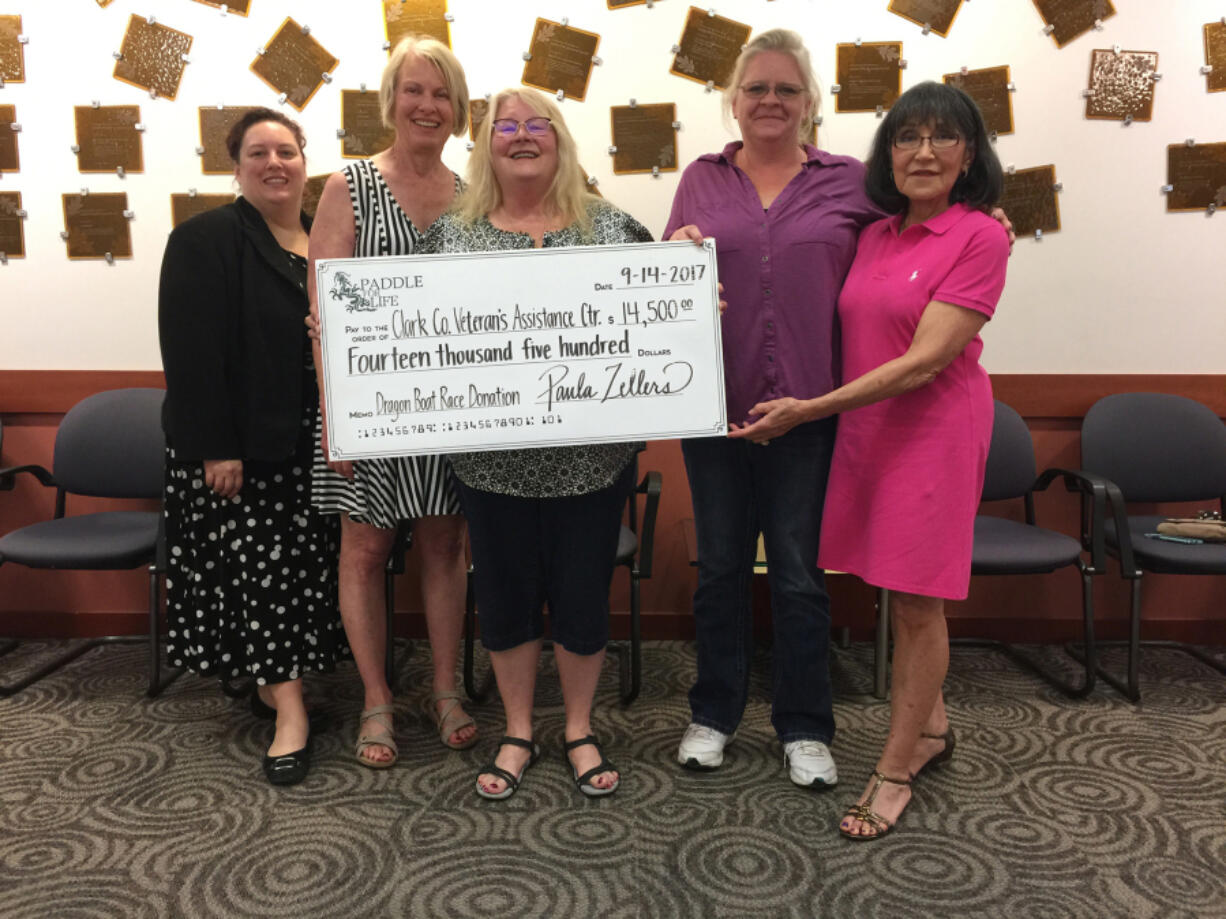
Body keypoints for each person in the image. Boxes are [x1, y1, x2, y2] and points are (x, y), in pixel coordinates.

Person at [730, 81, 1009, 839]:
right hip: (868, 434)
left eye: (943, 137)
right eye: (906, 137)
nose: (923, 152)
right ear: (886, 153)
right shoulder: (876, 230)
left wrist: (809, 410)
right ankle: (933, 726)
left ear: (970, 152)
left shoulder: (981, 235)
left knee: (919, 602)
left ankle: (891, 771)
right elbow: (783, 261)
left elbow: (925, 361)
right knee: (890, 583)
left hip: (932, 434)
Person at [664, 29, 883, 790]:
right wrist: (678, 253)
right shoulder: (700, 179)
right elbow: (660, 293)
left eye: (787, 89)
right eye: (756, 88)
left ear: (809, 103)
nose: (770, 101)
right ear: (734, 99)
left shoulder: (849, 181)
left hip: (810, 415)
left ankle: (805, 726)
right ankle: (714, 713)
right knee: (721, 568)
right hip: (714, 413)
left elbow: (888, 269)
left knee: (796, 575)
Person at [421, 87, 653, 800]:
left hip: (593, 461)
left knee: (584, 595)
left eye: (537, 124)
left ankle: (579, 727)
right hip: (491, 465)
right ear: (486, 143)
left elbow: (660, 317)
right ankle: (519, 728)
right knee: (507, 595)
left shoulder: (613, 229)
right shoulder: (450, 237)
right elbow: (412, 335)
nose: (522, 136)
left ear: (560, 139)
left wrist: (696, 301)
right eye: (505, 126)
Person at [159, 107, 345, 786]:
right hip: (240, 452)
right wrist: (216, 447)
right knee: (263, 582)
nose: (275, 162)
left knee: (302, 576)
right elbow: (191, 353)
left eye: (288, 151)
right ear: (235, 166)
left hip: (311, 446)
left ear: (305, 161)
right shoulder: (205, 239)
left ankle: (275, 682)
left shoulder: (320, 239)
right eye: (259, 151)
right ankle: (289, 714)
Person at [307, 36, 476, 768]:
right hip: (367, 409)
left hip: (447, 410)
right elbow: (322, 315)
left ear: (457, 109)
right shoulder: (348, 186)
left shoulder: (472, 195)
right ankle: (377, 698)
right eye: (414, 90)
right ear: (391, 101)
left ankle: (444, 690)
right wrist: (337, 418)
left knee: (444, 546)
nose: (427, 106)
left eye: (441, 94)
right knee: (365, 550)